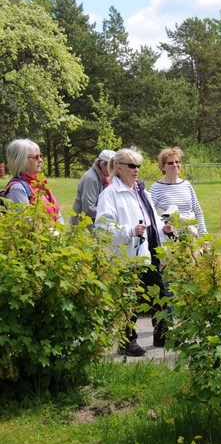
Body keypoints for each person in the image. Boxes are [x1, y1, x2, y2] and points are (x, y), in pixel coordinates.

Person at [95, 148, 174, 356]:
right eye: (132, 166)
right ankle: (127, 342)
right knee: (130, 298)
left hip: (150, 249)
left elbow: (152, 220)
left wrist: (164, 229)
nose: (136, 170)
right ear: (119, 168)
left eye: (138, 165)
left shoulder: (142, 192)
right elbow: (103, 228)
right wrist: (129, 231)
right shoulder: (110, 194)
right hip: (128, 253)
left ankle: (162, 334)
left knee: (158, 293)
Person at [149, 147, 207, 238]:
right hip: (168, 237)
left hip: (190, 236)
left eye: (177, 162)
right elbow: (149, 213)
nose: (175, 165)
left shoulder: (186, 185)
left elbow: (198, 211)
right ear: (162, 166)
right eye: (170, 163)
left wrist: (204, 236)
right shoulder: (156, 188)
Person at [2, 138, 63, 223]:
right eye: (35, 157)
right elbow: (26, 226)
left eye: (40, 156)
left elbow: (57, 214)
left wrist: (58, 232)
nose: (40, 160)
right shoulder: (17, 188)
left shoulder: (40, 185)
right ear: (21, 160)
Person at [71, 149, 116, 228]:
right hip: (82, 227)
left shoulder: (106, 177)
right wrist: (110, 212)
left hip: (96, 223)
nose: (114, 170)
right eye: (111, 166)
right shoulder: (90, 179)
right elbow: (88, 210)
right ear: (102, 165)